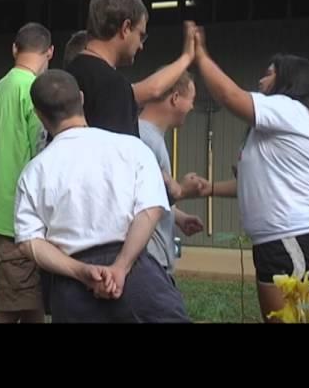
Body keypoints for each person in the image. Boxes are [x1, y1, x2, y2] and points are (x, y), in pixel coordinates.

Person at [190, 27, 309, 322]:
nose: (261, 80)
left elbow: (228, 95)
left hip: (292, 237)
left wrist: (199, 55)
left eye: (269, 73)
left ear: (288, 82)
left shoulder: (289, 109)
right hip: (287, 238)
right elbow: (256, 185)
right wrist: (210, 188)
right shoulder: (280, 125)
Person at [14, 70, 190, 323]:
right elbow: (150, 210)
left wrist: (81, 272)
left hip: (71, 287)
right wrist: (121, 267)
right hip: (138, 277)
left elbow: (29, 242)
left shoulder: (33, 172)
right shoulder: (131, 148)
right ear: (82, 99)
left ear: (40, 115)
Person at [0, 22, 54, 323]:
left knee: (22, 299)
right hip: (16, 215)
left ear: (14, 49)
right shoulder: (33, 91)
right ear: (50, 52)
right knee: (14, 307)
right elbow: (41, 150)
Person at [65, 0, 195, 137]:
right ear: (126, 27)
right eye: (141, 35)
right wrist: (187, 56)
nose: (141, 46)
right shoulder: (112, 86)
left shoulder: (70, 73)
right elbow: (120, 156)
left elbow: (152, 89)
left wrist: (186, 57)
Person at [137, 71, 205, 275]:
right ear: (175, 98)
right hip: (149, 258)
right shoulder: (145, 138)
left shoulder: (150, 136)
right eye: (191, 100)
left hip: (155, 257)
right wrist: (182, 190)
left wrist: (179, 217)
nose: (192, 107)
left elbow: (151, 195)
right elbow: (137, 201)